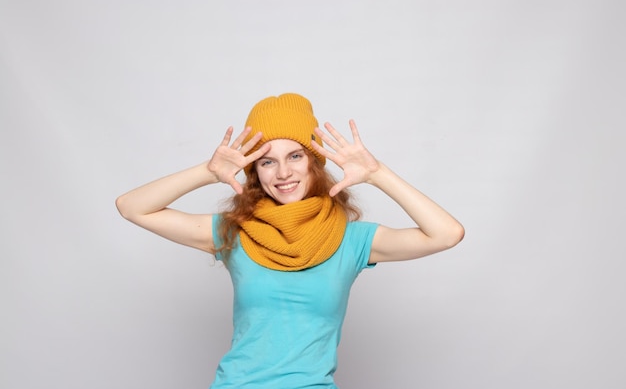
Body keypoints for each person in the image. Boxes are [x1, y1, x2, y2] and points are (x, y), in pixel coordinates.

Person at [115, 93, 464, 388]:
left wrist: (378, 174)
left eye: (295, 156)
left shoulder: (352, 240)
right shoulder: (234, 231)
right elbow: (132, 208)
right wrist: (207, 172)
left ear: (315, 163)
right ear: (254, 173)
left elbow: (447, 234)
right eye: (267, 161)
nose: (283, 173)